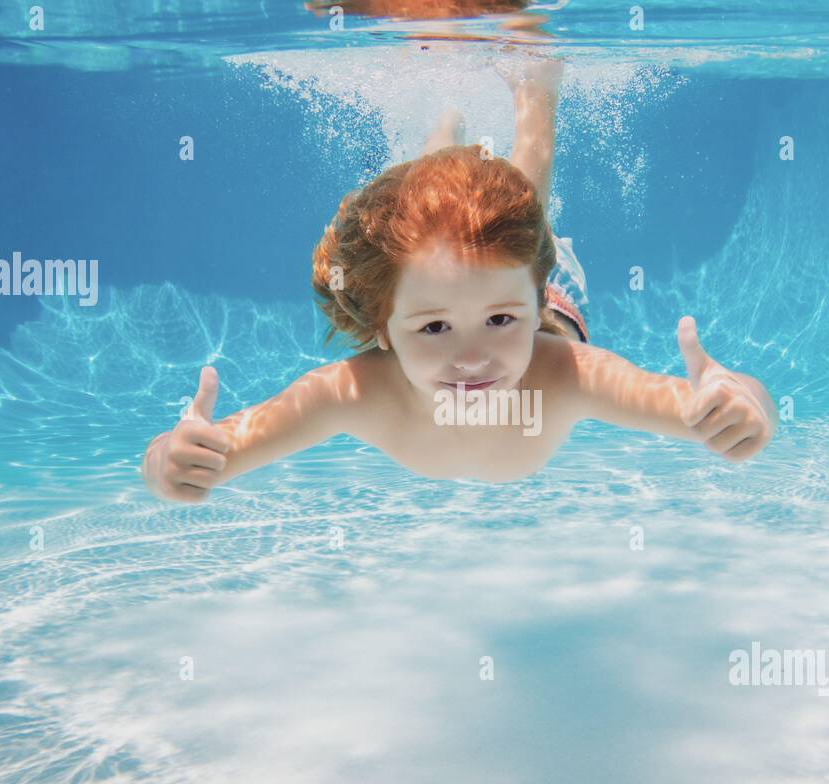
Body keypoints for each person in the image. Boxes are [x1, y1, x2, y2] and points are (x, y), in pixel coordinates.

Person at [142, 52, 776, 501]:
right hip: (498, 285)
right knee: (433, 221)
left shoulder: (565, 375)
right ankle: (456, 133)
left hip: (553, 307)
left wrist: (743, 408)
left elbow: (699, 404)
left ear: (530, 304)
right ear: (381, 328)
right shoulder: (352, 392)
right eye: (435, 327)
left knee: (519, 210)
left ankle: (534, 91)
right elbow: (199, 451)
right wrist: (172, 462)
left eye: (501, 321)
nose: (473, 358)